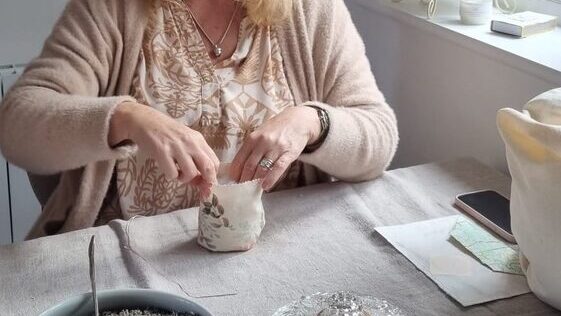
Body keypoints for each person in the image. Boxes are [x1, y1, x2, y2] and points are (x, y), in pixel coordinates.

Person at [0, 0, 398, 239]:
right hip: (136, 261)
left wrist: (313, 123)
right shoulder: (112, 9)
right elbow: (18, 123)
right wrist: (126, 117)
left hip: (276, 246)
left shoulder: (308, 10)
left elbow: (378, 136)